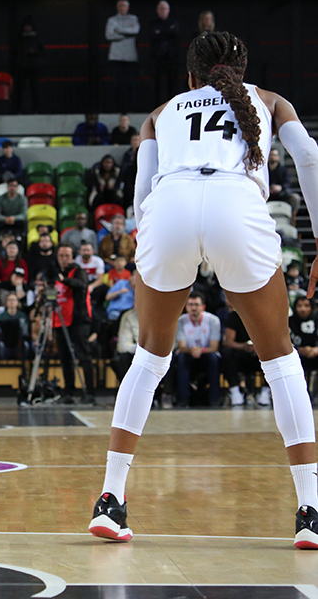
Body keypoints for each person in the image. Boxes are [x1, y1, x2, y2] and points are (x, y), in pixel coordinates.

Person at [90, 31, 318, 548]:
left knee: (148, 358)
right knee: (280, 359)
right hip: (234, 202)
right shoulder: (269, 100)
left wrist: (147, 241)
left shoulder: (160, 112)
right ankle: (311, 510)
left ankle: (110, 499)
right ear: (242, 69)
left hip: (168, 204)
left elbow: (140, 194)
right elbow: (308, 156)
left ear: (190, 76)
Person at [53, 244, 95, 404]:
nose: (64, 259)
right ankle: (68, 392)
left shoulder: (79, 271)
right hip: (60, 319)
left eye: (67, 256)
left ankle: (89, 393)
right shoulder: (55, 273)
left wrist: (65, 280)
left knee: (84, 356)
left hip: (78, 319)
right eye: (61, 256)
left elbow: (81, 284)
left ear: (72, 257)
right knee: (65, 358)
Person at [173, 292, 222, 407]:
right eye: (190, 305)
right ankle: (183, 399)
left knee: (214, 359)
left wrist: (202, 350)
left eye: (196, 304)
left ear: (203, 307)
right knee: (180, 359)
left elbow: (214, 347)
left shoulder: (213, 320)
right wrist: (192, 351)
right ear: (186, 307)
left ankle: (214, 399)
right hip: (188, 353)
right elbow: (182, 346)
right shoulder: (180, 321)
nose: (193, 308)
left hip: (207, 353)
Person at [221, 303, 265, 407]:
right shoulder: (233, 316)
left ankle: (265, 391)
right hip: (239, 352)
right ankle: (235, 389)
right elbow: (228, 342)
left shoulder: (263, 315)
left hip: (259, 353)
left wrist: (258, 347)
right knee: (226, 353)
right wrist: (243, 346)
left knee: (273, 353)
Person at [105, 0, 140, 112]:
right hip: (116, 57)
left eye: (124, 5)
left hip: (130, 57)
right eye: (120, 5)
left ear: (128, 7)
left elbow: (135, 30)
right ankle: (115, 108)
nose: (122, 8)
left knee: (130, 84)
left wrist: (118, 30)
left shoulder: (133, 19)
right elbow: (109, 35)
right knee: (116, 84)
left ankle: (131, 108)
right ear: (117, 7)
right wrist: (126, 34)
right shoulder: (112, 20)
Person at [149, 1, 180, 104]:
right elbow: (153, 35)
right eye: (161, 8)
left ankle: (172, 105)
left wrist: (161, 32)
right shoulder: (153, 23)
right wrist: (167, 32)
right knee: (157, 85)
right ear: (157, 11)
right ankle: (156, 106)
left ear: (168, 10)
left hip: (171, 57)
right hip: (157, 58)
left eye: (165, 8)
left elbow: (175, 33)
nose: (163, 11)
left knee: (172, 84)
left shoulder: (173, 22)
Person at [290, 296, 318, 402]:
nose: (303, 309)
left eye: (306, 306)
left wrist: (316, 350)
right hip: (295, 355)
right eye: (299, 306)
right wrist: (298, 350)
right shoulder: (289, 321)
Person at [13, 16, 43, 114]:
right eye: (26, 26)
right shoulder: (19, 39)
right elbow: (15, 52)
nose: (27, 28)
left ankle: (36, 109)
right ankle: (18, 109)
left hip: (33, 66)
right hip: (22, 67)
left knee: (34, 89)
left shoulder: (36, 39)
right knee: (20, 89)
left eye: (29, 26)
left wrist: (34, 53)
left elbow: (42, 51)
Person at [268, 147, 301, 215]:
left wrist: (280, 188)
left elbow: (288, 183)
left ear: (278, 157)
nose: (272, 157)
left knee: (295, 198)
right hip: (267, 195)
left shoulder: (283, 170)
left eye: (275, 155)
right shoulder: (264, 170)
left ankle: (292, 218)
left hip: (281, 195)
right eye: (271, 155)